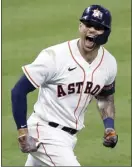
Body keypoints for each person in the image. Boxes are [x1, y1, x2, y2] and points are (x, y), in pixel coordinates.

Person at [11, 4, 118, 166]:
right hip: (44, 133)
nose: (91, 30)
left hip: (68, 139)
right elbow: (18, 91)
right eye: (88, 25)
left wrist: (109, 127)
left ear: (106, 33)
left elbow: (105, 96)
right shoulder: (54, 57)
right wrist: (23, 131)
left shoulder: (109, 63)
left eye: (98, 27)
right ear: (80, 26)